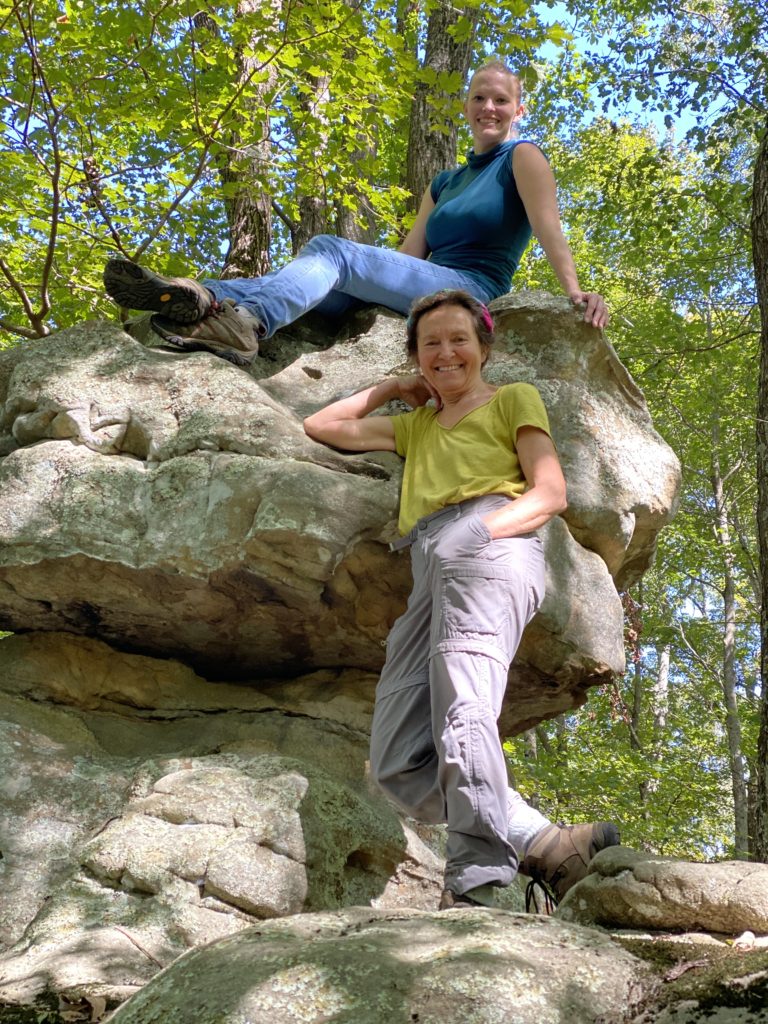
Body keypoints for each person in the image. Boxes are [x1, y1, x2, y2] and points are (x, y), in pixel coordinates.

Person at [303, 288, 618, 910]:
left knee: (464, 715)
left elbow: (549, 493)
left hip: (490, 543)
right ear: (417, 356)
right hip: (430, 568)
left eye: (458, 339)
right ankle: (546, 842)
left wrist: (474, 533)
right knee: (396, 758)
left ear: (483, 346)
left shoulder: (511, 400)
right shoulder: (417, 426)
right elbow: (322, 425)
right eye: (430, 344)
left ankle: (476, 881)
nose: (445, 353)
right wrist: (394, 387)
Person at [102, 60, 608, 357]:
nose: (488, 108)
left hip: (471, 290)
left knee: (329, 249)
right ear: (466, 106)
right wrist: (360, 281)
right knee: (322, 280)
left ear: (518, 109)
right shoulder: (445, 181)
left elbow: (549, 228)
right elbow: (408, 255)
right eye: (479, 98)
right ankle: (201, 297)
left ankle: (248, 323)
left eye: (501, 100)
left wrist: (575, 292)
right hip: (424, 284)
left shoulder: (522, 157)